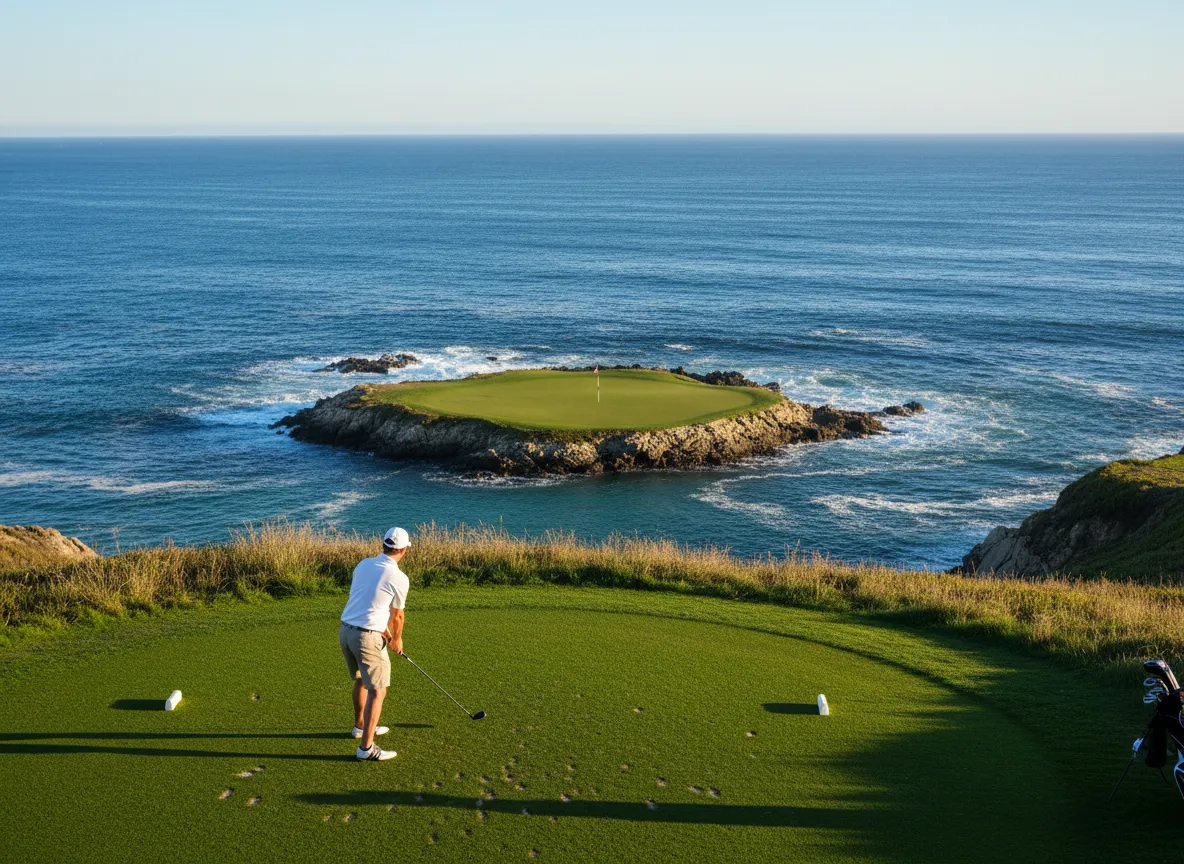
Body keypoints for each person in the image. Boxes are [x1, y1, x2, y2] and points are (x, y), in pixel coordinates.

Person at [339, 526, 411, 761]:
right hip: (366, 637)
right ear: (403, 550)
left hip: (346, 631)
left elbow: (367, 601)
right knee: (377, 691)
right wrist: (397, 639)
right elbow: (397, 615)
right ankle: (366, 749)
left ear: (384, 545)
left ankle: (360, 726)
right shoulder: (399, 578)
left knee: (361, 679)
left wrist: (386, 632)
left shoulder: (364, 564)